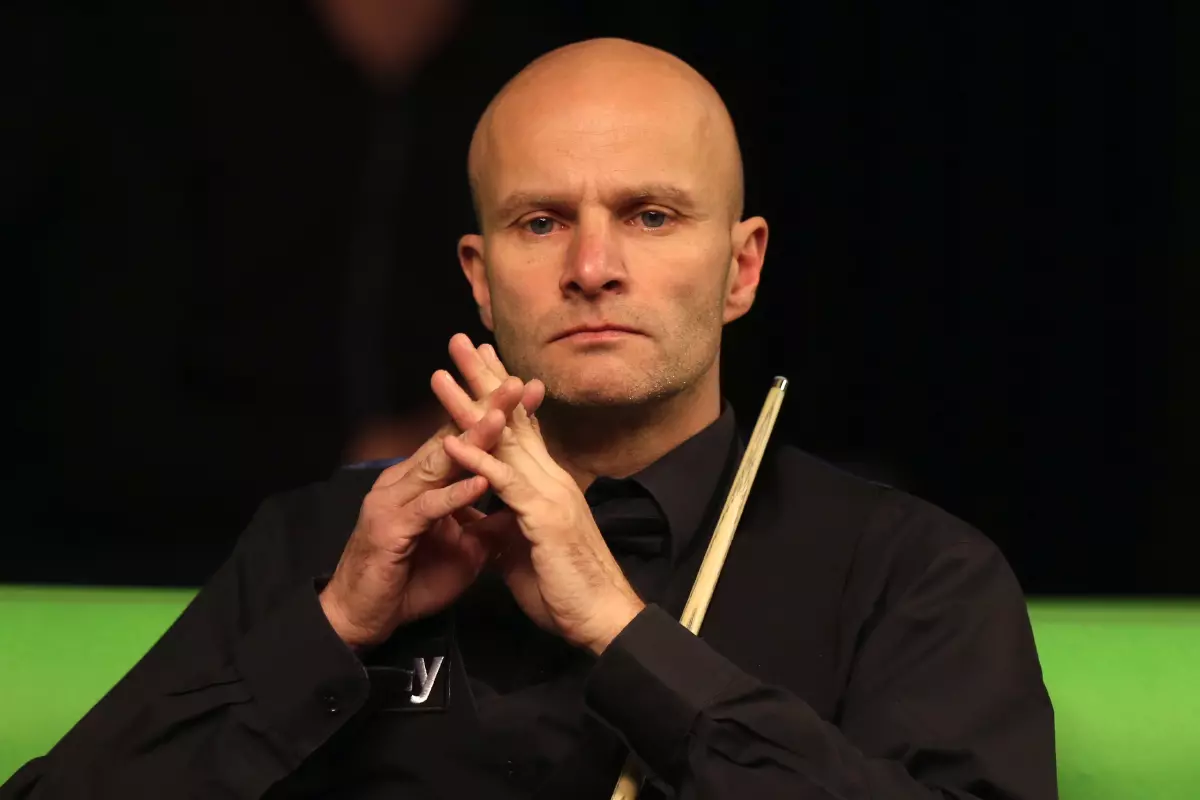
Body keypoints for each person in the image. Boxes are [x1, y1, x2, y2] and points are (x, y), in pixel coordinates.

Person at [2, 39, 1056, 799]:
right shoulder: (321, 541)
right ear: (479, 276)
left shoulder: (912, 574)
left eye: (650, 215)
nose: (592, 268)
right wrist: (327, 633)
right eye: (540, 221)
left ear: (742, 268)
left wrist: (623, 631)